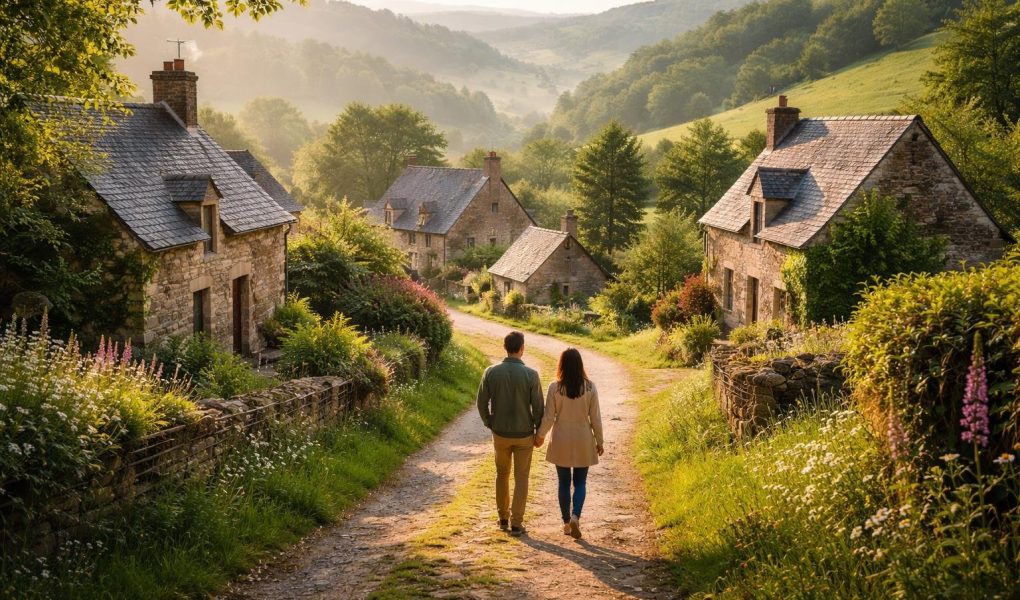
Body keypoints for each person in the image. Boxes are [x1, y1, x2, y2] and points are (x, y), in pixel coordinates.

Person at [476, 331, 544, 537]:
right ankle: (517, 522)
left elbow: (481, 403)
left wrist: (490, 422)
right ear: (522, 348)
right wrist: (538, 432)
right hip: (524, 434)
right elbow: (539, 408)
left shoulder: (490, 372)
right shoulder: (531, 374)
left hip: (500, 433)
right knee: (521, 477)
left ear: (505, 347)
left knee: (502, 474)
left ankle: (503, 517)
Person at [535, 348, 604, 539]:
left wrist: (539, 436)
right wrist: (600, 441)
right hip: (583, 438)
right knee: (580, 482)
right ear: (580, 364)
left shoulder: (554, 387)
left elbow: (549, 417)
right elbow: (595, 418)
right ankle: (576, 516)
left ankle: (566, 523)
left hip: (561, 439)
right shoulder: (591, 387)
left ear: (562, 365)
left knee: (564, 482)